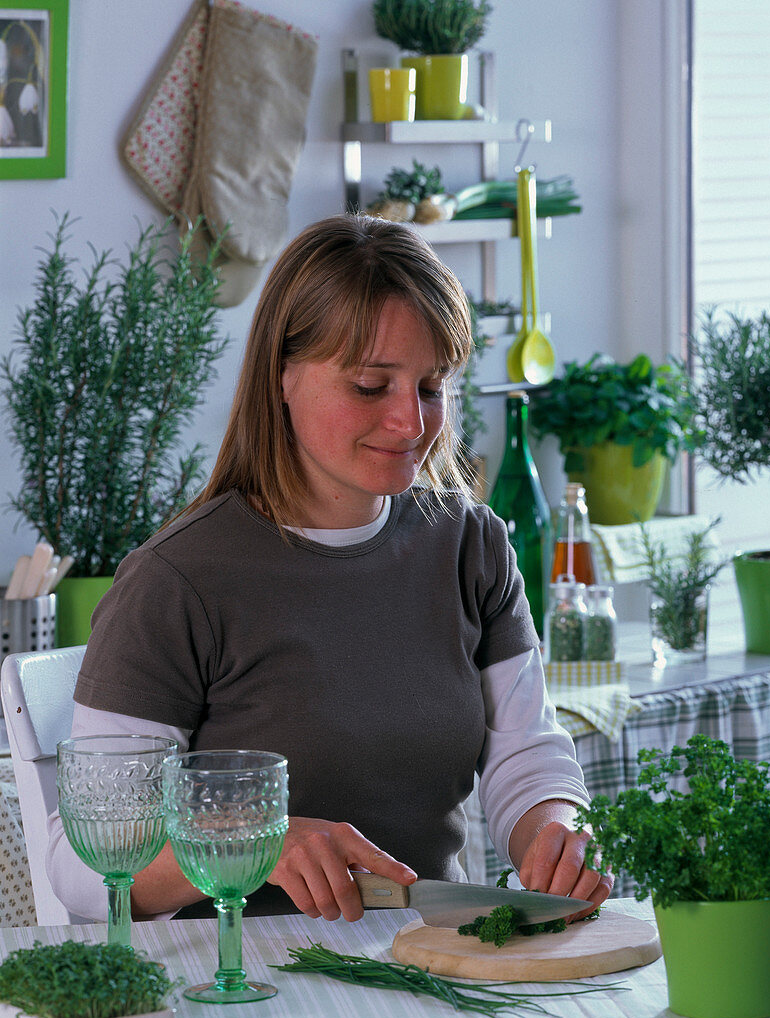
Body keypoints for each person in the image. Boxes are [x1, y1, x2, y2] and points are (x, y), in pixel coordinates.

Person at [46, 213, 612, 923]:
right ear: (282, 377)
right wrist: (250, 841)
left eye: (432, 387)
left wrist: (559, 830)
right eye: (371, 386)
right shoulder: (176, 583)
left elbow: (525, 759)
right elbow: (80, 868)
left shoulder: (471, 546)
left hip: (430, 963)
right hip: (242, 993)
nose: (412, 422)